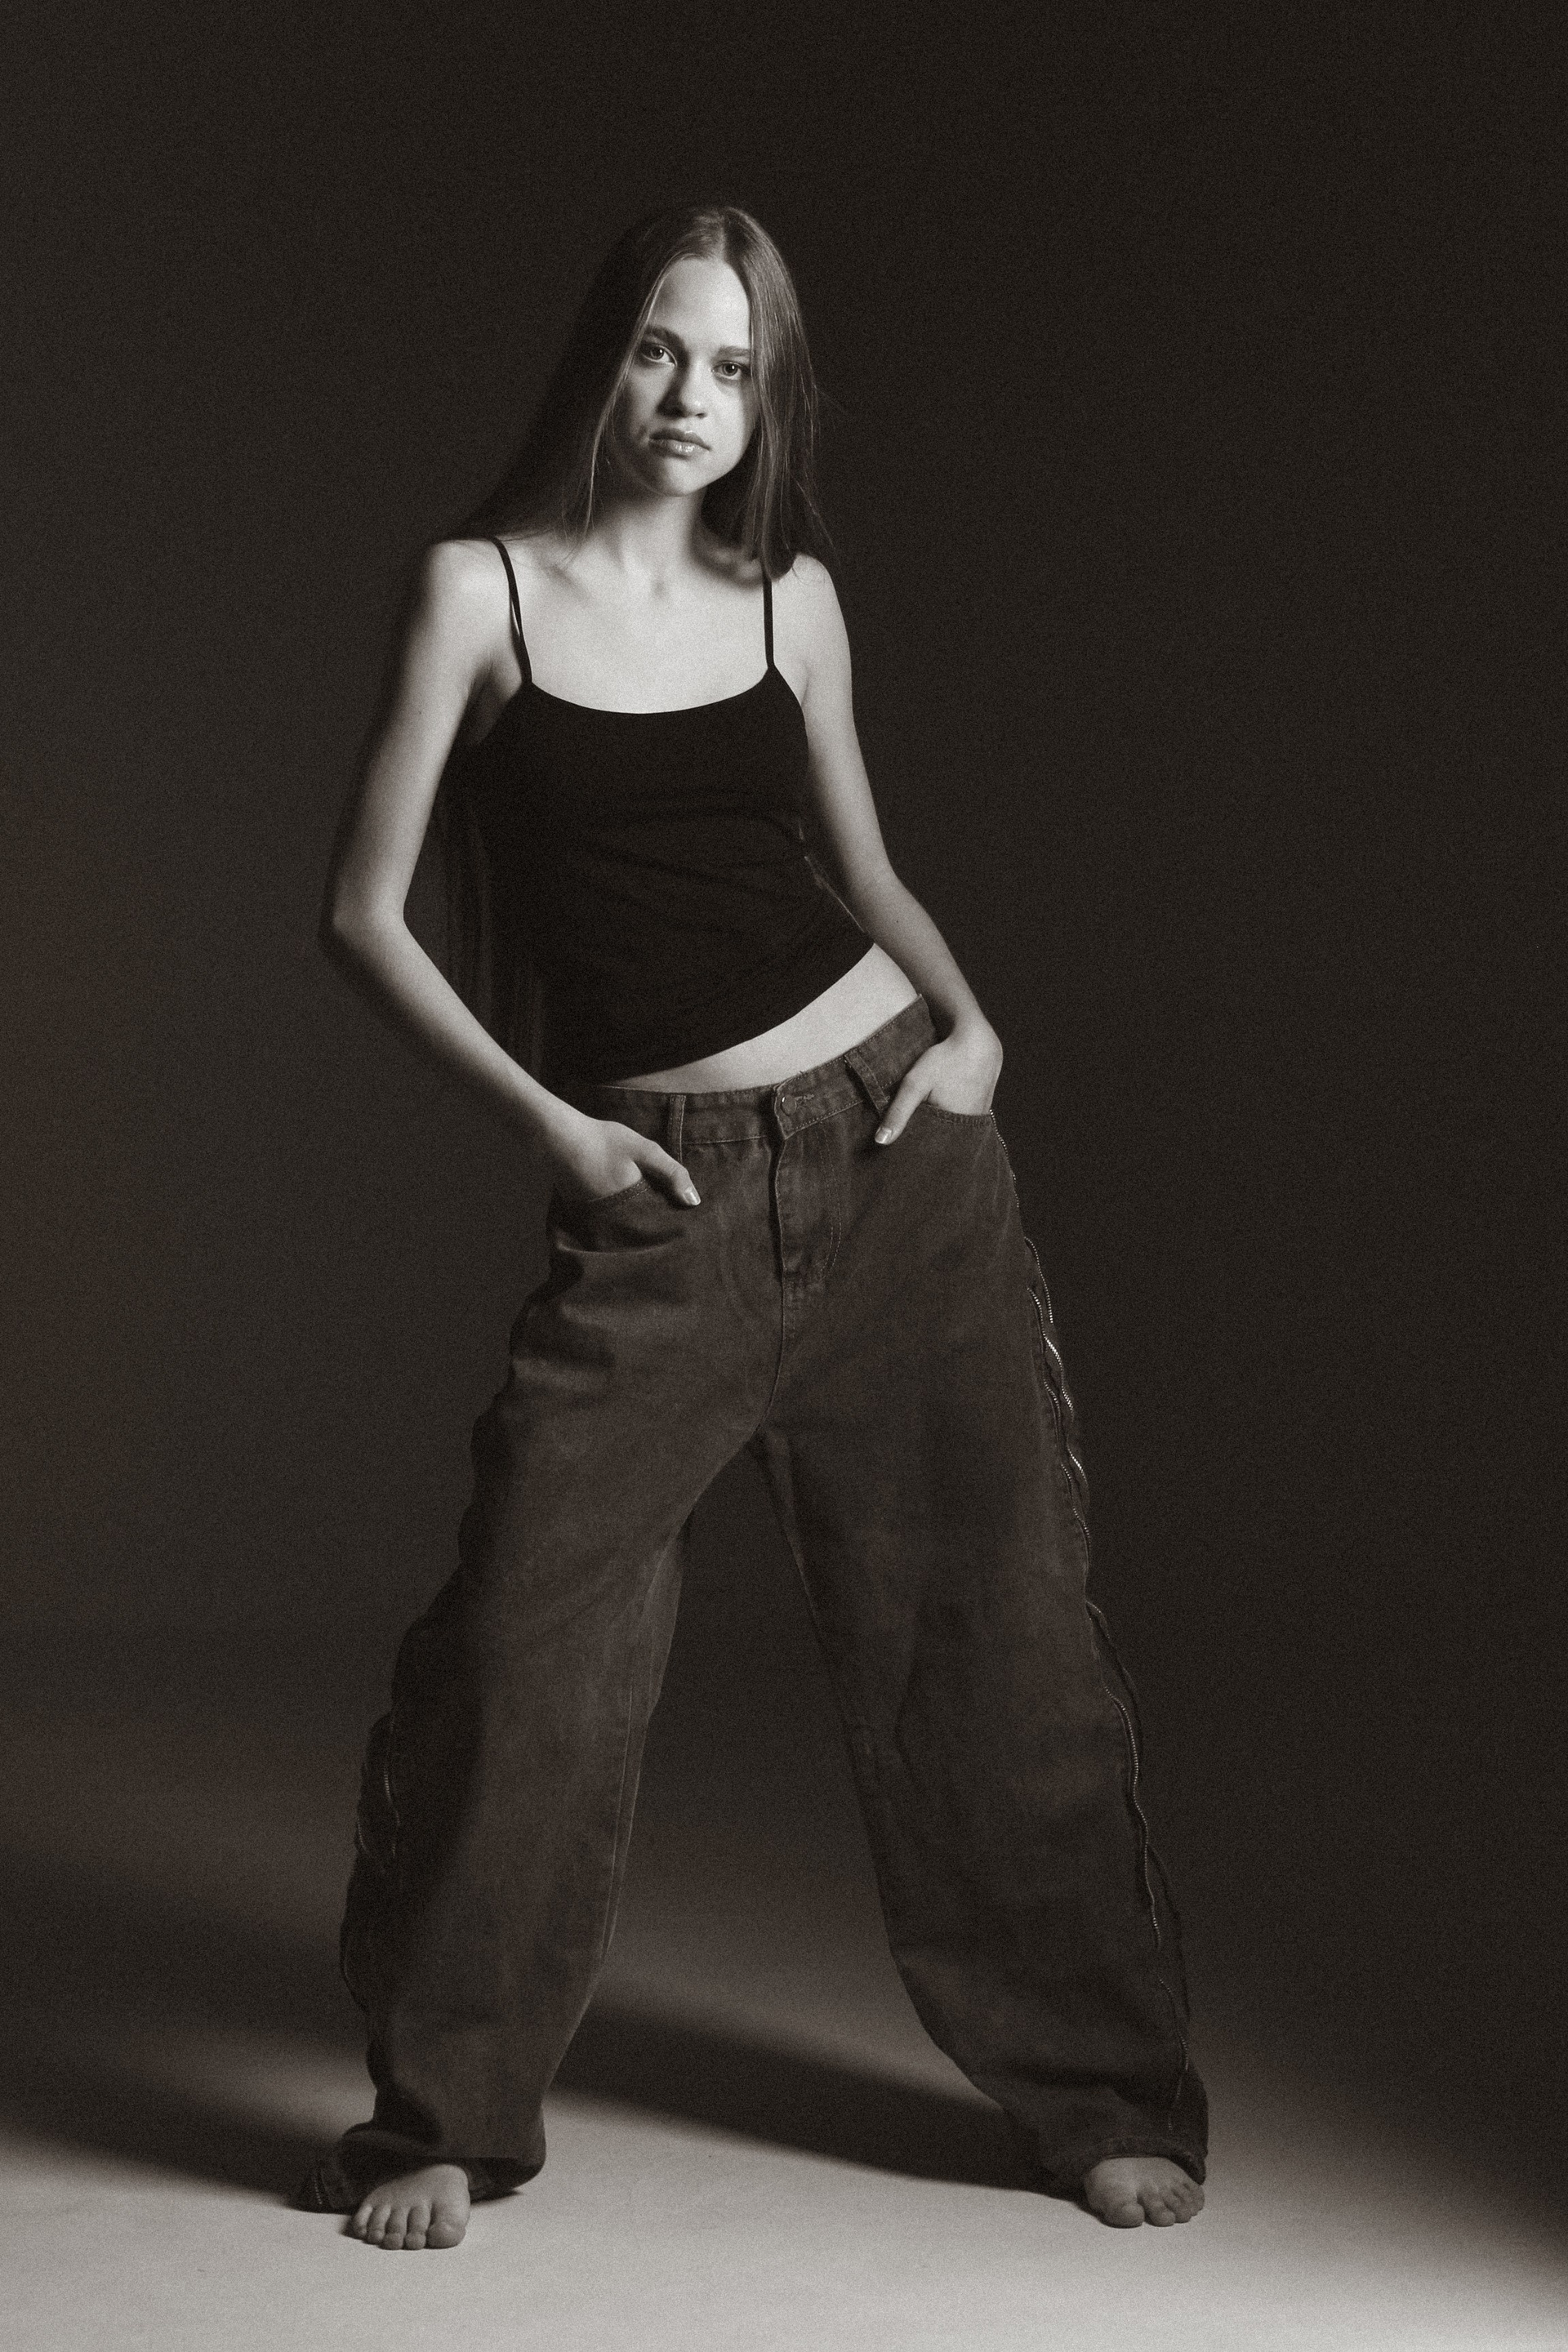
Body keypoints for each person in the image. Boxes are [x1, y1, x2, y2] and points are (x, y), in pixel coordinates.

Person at [297, 203, 1208, 2251]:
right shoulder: (480, 593)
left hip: (898, 1165)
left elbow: (860, 868)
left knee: (992, 1639)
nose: (692, 399)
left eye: (732, 368)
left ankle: (1094, 2094)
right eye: (659, 351)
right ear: (600, 361)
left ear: (766, 395)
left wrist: (974, 1034)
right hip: (663, 1198)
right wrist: (558, 1130)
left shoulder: (796, 601)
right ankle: (443, 2116)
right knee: (524, 1646)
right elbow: (359, 912)